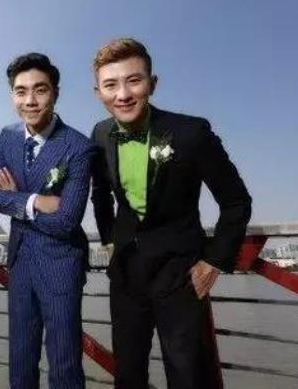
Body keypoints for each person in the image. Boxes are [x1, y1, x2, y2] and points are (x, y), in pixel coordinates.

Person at [90, 37, 252, 389]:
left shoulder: (191, 132)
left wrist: (214, 261)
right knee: (127, 374)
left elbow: (236, 201)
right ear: (98, 92)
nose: (123, 94)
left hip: (180, 275)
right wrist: (109, 241)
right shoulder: (100, 134)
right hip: (126, 275)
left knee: (188, 375)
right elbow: (100, 194)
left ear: (152, 83)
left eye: (134, 80)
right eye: (111, 85)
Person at [0, 53, 93, 389]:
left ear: (55, 92)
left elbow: (66, 221)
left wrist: (14, 199)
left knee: (64, 363)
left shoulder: (78, 147)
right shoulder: (7, 136)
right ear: (12, 96)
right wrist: (33, 201)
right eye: (21, 91)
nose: (29, 100)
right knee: (20, 360)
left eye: (40, 90)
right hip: (19, 263)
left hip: (60, 264)